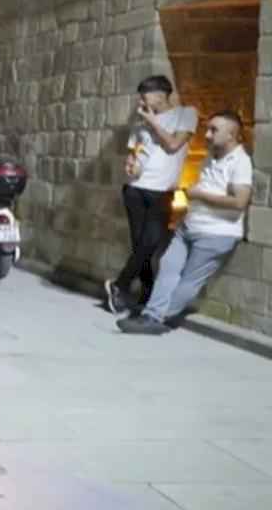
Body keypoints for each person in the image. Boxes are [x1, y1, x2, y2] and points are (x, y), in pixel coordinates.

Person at [118, 111, 252, 334]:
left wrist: (198, 195)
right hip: (189, 226)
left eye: (214, 130)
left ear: (231, 135)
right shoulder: (212, 155)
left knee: (189, 281)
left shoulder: (241, 162)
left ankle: (155, 317)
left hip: (216, 234)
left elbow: (240, 202)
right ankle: (153, 314)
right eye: (208, 128)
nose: (207, 134)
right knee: (168, 267)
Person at [106, 75, 198, 313]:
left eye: (144, 95)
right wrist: (130, 165)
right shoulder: (140, 124)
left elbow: (173, 145)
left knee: (150, 242)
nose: (141, 101)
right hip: (135, 190)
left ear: (159, 95)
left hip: (163, 192)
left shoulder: (186, 114)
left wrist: (153, 121)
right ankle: (145, 295)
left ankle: (120, 284)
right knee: (141, 245)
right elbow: (133, 154)